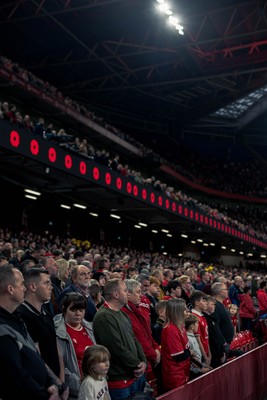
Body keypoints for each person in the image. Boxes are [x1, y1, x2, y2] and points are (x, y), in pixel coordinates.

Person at [0, 264, 61, 400]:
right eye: (21, 284)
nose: (25, 288)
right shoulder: (3, 327)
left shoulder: (16, 318)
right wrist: (45, 395)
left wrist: (52, 382)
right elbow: (16, 375)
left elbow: (35, 355)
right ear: (10, 289)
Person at [93, 278, 147, 400]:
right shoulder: (104, 317)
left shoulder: (122, 314)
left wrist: (143, 361)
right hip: (119, 380)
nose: (128, 293)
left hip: (134, 376)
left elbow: (134, 340)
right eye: (125, 290)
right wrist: (137, 364)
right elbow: (116, 348)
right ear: (116, 295)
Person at [17, 268, 65, 383]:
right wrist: (56, 382)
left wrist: (62, 380)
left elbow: (57, 349)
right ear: (33, 287)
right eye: (46, 283)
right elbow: (36, 357)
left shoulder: (46, 313)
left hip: (57, 381)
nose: (51, 287)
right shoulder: (22, 315)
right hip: (42, 383)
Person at [54, 292, 96, 399]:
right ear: (64, 309)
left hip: (95, 384)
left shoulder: (90, 329)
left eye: (81, 310)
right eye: (73, 310)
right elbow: (61, 366)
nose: (78, 314)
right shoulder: (59, 333)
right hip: (75, 389)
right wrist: (77, 383)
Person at [161, 298, 191, 392]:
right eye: (184, 310)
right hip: (175, 374)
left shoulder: (180, 325)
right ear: (178, 312)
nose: (187, 312)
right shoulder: (171, 329)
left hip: (182, 371)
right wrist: (190, 352)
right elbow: (178, 356)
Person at [185, 313, 212, 380]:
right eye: (197, 323)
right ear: (192, 326)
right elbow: (190, 360)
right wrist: (199, 370)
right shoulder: (187, 339)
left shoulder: (193, 336)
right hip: (194, 374)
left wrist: (204, 366)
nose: (198, 325)